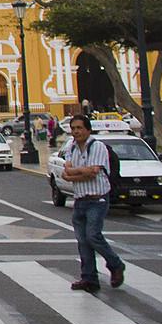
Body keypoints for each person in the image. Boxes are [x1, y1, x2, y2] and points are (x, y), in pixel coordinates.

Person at [59, 114, 126, 293]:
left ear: (88, 130)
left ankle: (116, 264)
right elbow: (65, 174)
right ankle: (89, 278)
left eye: (79, 128)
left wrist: (75, 172)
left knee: (93, 236)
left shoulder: (97, 147)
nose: (76, 131)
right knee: (82, 241)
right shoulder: (71, 148)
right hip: (80, 200)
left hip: (98, 199)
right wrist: (80, 171)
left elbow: (93, 173)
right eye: (73, 128)